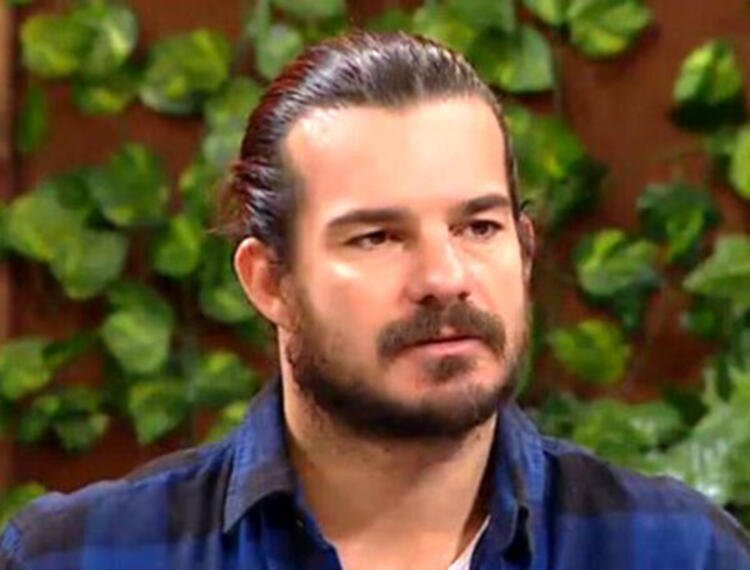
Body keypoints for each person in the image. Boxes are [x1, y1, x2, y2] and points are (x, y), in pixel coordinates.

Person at [2, 31, 749, 570]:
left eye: (478, 226)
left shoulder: (679, 552)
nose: (445, 276)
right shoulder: (79, 556)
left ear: (523, 250)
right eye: (377, 237)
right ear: (268, 281)